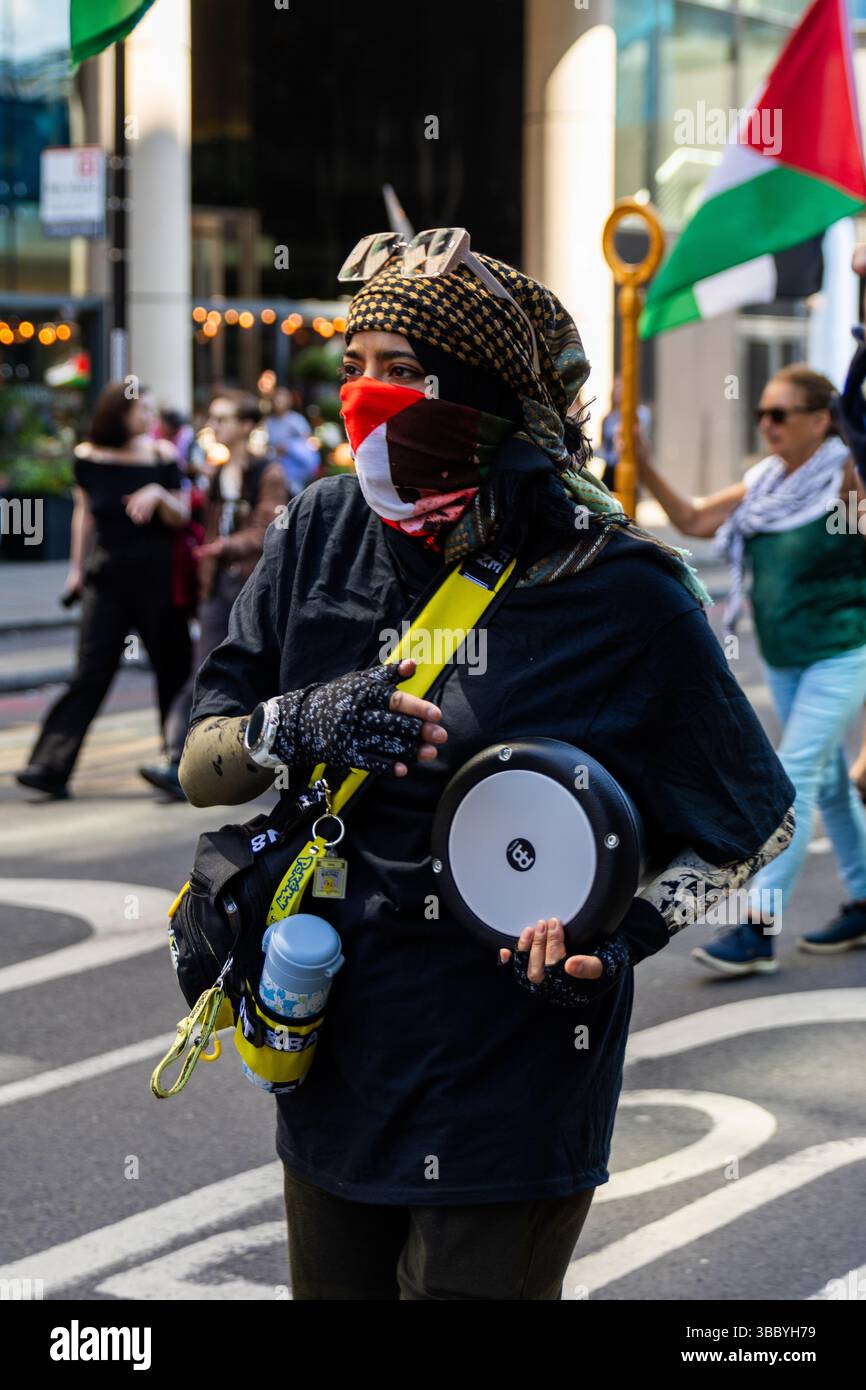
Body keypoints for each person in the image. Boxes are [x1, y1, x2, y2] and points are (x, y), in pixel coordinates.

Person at [175, 236, 795, 1300]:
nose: (368, 395)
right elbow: (202, 760)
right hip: (331, 1033)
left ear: (491, 394)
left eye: (402, 370)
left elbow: (755, 824)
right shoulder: (323, 526)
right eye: (354, 363)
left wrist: (627, 932)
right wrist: (300, 721)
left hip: (511, 1064)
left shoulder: (618, 587)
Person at [634, 363, 866, 973]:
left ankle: (759, 928)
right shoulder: (765, 483)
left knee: (793, 776)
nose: (765, 424)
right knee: (831, 784)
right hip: (788, 660)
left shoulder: (849, 476)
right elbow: (694, 522)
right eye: (760, 412)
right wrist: (643, 460)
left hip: (844, 652)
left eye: (780, 414)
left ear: (821, 420)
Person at [16, 383, 191, 798]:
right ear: (119, 413)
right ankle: (50, 765)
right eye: (142, 410)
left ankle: (182, 766)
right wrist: (75, 569)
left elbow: (183, 514)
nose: (151, 417)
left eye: (152, 409)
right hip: (106, 580)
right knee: (90, 671)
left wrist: (158, 494)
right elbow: (83, 514)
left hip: (157, 581)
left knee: (174, 669)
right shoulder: (87, 458)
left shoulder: (163, 457)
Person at [139, 390, 288, 798]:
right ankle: (180, 760)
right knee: (203, 672)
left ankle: (267, 759)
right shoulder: (218, 475)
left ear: (245, 426)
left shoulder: (268, 473)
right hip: (218, 588)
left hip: (254, 587)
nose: (215, 426)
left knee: (262, 675)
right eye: (213, 418)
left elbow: (266, 531)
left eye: (224, 419)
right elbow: (207, 531)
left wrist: (222, 548)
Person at [595, 373, 651, 492]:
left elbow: (645, 444)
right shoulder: (608, 418)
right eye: (616, 387)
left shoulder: (640, 414)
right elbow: (604, 448)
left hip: (630, 468)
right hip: (611, 469)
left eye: (622, 387)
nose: (618, 391)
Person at [265, 385, 318, 495]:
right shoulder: (269, 422)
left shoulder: (296, 420)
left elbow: (307, 442)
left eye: (281, 400)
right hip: (276, 466)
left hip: (295, 468)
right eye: (276, 400)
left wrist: (289, 447)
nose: (278, 403)